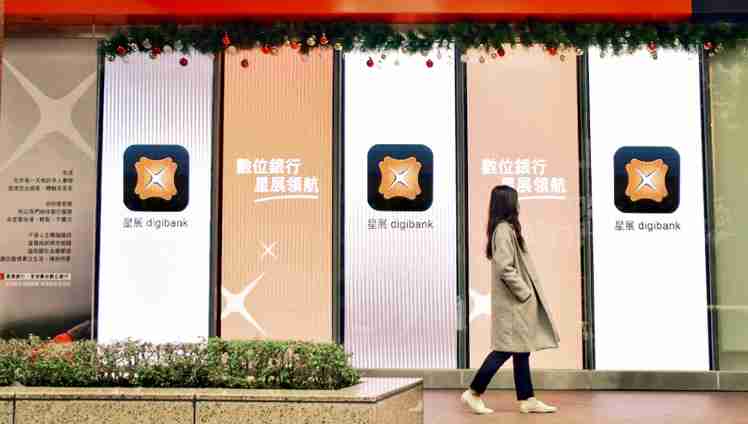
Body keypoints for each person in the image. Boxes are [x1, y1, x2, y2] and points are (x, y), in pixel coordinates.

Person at [461, 185, 560, 415]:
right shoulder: (504, 230)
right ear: (508, 204)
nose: (518, 204)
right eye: (515, 200)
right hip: (514, 304)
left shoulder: (504, 229)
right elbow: (505, 268)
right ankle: (474, 392)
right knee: (504, 350)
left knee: (521, 350)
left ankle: (527, 398)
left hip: (515, 304)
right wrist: (525, 292)